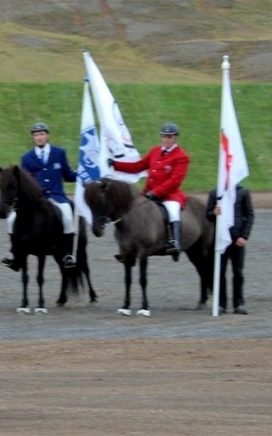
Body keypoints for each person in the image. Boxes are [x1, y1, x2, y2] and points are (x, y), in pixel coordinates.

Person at [1, 121, 78, 269]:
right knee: (11, 220)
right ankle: (13, 252)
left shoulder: (59, 153)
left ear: (47, 136)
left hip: (56, 197)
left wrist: (80, 172)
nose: (39, 137)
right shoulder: (26, 158)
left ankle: (68, 254)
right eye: (36, 135)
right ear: (33, 138)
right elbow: (23, 182)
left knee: (68, 217)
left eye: (42, 134)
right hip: (35, 200)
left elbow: (67, 174)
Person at [108, 122, 190, 257]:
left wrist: (156, 192)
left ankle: (175, 241)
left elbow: (174, 181)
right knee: (131, 210)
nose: (166, 139)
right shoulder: (155, 151)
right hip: (149, 193)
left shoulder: (182, 157)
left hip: (169, 196)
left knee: (173, 212)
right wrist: (115, 164)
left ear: (175, 138)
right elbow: (138, 166)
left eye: (169, 137)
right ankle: (127, 246)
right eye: (164, 136)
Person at [206, 185, 254, 314]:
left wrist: (244, 236)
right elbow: (208, 215)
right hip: (220, 240)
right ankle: (221, 304)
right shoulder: (215, 193)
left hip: (238, 240)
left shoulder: (243, 192)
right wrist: (213, 213)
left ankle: (239, 303)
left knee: (238, 272)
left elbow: (249, 215)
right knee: (219, 273)